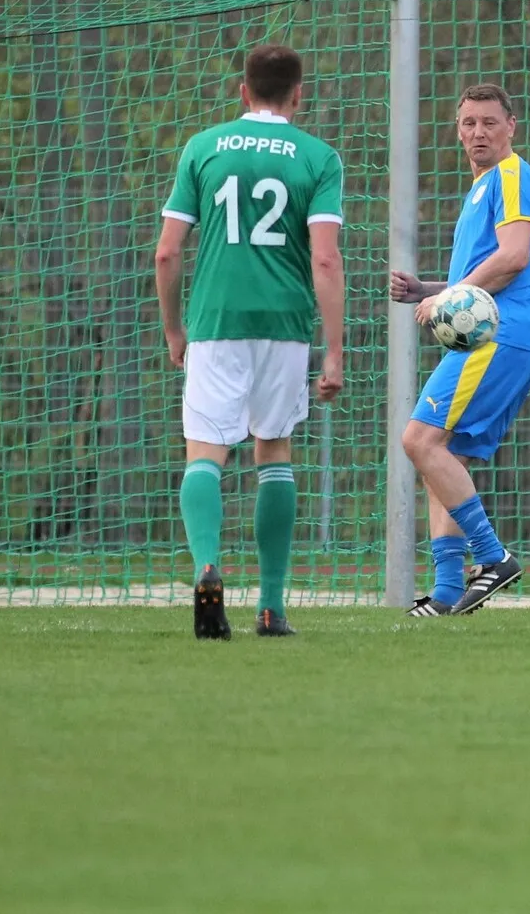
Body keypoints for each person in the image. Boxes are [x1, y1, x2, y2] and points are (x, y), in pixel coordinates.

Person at [156, 45, 347, 640]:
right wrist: (334, 349)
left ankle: (207, 569)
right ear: (298, 95)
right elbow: (325, 258)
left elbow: (167, 252)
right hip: (284, 324)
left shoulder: (203, 147)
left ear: (243, 91)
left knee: (205, 453)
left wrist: (174, 328)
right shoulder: (318, 157)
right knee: (275, 451)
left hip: (216, 320)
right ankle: (270, 606)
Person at [389, 83, 530, 616]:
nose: (478, 132)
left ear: (511, 126)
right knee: (443, 456)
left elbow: (514, 257)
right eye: (468, 123)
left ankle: (493, 557)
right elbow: (482, 275)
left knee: (419, 441)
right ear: (457, 130)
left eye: (489, 122)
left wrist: (450, 297)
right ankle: (449, 591)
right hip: (494, 336)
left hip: (500, 337)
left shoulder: (512, 175)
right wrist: (430, 290)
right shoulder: (482, 186)